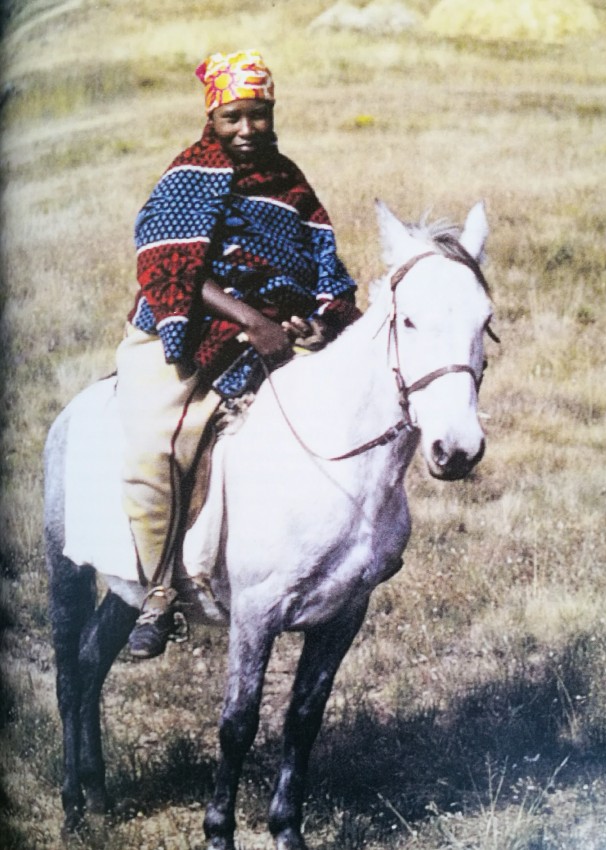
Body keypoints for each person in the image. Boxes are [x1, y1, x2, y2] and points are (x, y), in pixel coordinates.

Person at [116, 50, 360, 659]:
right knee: (159, 447)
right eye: (233, 118)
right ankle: (158, 593)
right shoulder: (189, 174)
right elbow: (168, 264)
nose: (247, 129)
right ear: (212, 119)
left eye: (258, 115)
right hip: (188, 332)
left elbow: (323, 259)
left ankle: (362, 548)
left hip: (273, 334)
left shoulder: (289, 181)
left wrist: (319, 320)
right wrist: (252, 320)